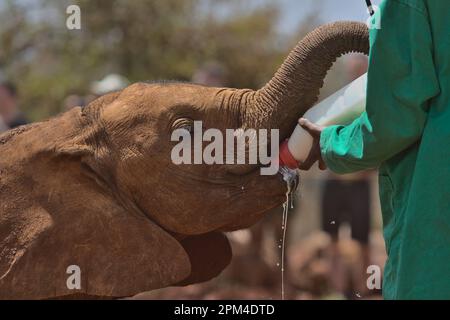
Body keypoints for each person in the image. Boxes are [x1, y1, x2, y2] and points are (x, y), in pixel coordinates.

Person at [298, 0, 450, 299]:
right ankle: (342, 290)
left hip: (435, 205)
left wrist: (330, 144)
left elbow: (394, 120)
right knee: (334, 240)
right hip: (346, 185)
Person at [321, 54, 374, 298]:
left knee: (362, 240)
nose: (356, 75)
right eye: (354, 70)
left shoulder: (374, 101)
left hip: (360, 184)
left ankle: (364, 289)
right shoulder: (337, 101)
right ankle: (337, 289)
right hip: (334, 182)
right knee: (331, 239)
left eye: (361, 71)